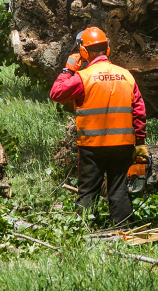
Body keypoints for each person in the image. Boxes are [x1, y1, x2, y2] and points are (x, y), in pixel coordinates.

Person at [49, 26, 147, 226]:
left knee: (88, 191)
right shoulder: (126, 76)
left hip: (92, 147)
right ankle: (125, 231)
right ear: (108, 49)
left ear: (83, 52)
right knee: (119, 191)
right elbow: (139, 113)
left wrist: (68, 70)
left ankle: (84, 233)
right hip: (123, 146)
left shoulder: (83, 78)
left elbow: (56, 93)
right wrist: (140, 148)